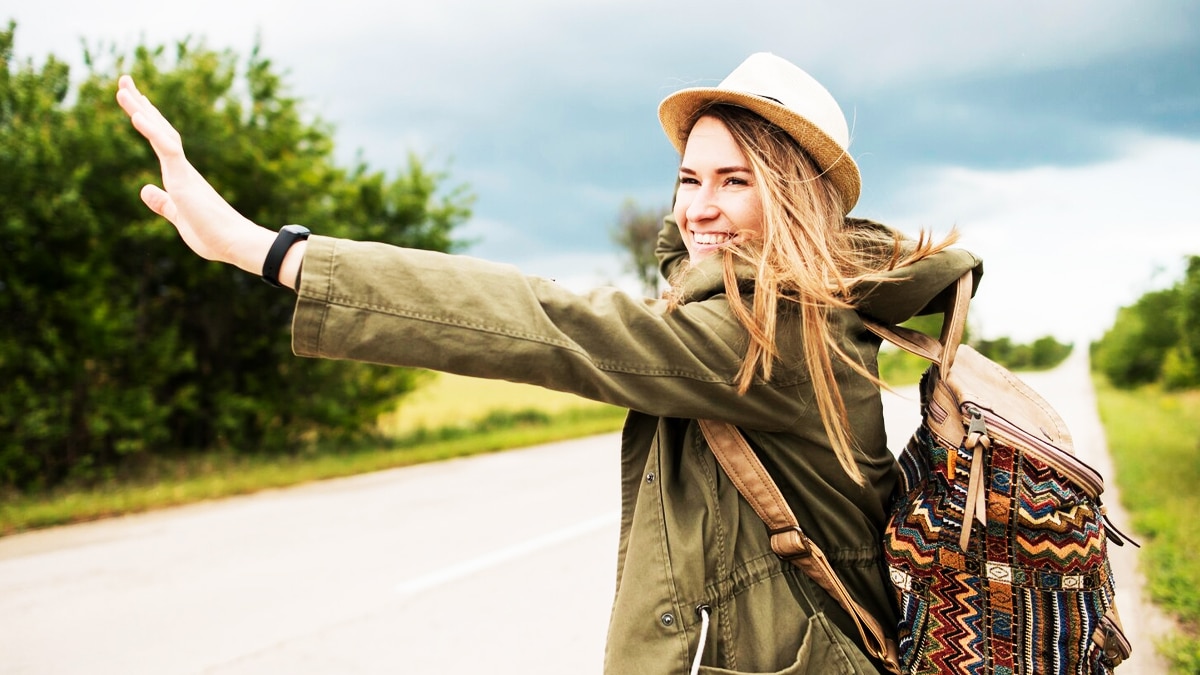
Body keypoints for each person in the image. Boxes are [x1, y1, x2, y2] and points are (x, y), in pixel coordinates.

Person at [117, 52, 981, 674]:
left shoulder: (776, 335)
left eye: (735, 181)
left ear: (796, 193)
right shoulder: (777, 313)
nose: (699, 207)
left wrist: (266, 251)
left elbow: (547, 323)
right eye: (689, 178)